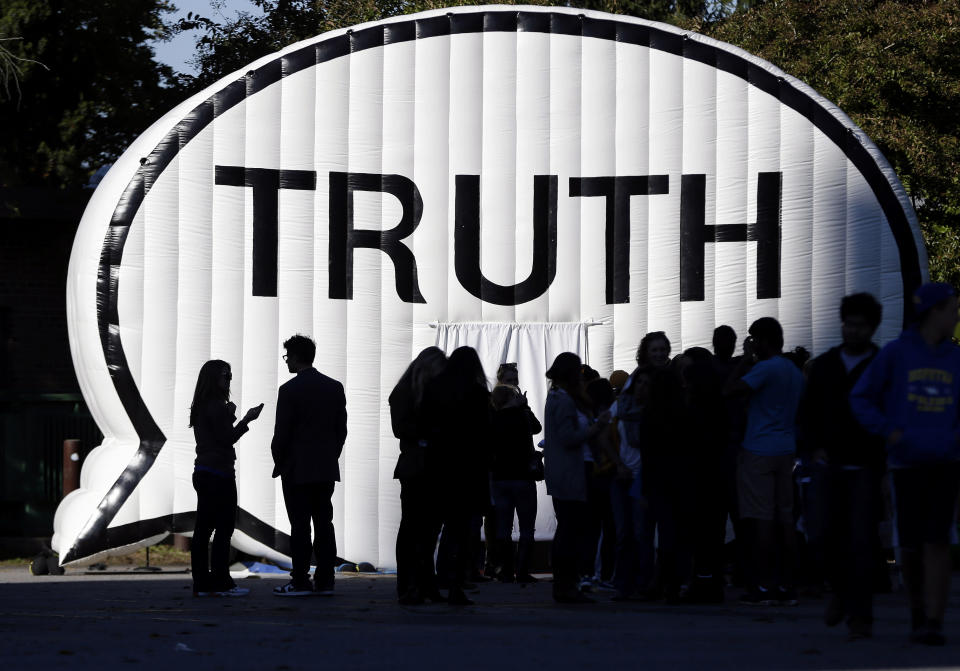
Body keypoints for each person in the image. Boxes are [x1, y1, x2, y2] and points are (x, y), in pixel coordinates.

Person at [851, 282, 960, 646]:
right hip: (906, 464)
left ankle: (933, 620)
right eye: (952, 309)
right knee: (911, 547)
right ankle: (917, 608)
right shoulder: (897, 354)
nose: (956, 316)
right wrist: (889, 432)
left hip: (945, 462)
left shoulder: (956, 358)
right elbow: (861, 397)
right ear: (935, 312)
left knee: (938, 542)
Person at [802, 293, 885, 639]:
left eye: (860, 326)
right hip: (828, 463)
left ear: (872, 327)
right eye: (849, 324)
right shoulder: (824, 366)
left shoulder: (882, 365)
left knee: (862, 543)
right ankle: (838, 589)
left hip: (866, 466)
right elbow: (806, 414)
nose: (853, 331)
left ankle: (860, 616)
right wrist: (814, 449)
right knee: (822, 535)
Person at [725, 317, 804, 606]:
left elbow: (729, 391)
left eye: (754, 339)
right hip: (786, 448)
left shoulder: (764, 368)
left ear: (764, 341)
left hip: (759, 448)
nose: (752, 344)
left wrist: (745, 360)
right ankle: (788, 585)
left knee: (761, 520)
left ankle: (762, 585)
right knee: (785, 518)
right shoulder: (794, 372)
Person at [271, 335, 347, 597]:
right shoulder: (334, 387)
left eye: (287, 357)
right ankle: (325, 579)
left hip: (296, 469)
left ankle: (300, 579)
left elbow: (281, 434)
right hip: (325, 467)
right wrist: (330, 455)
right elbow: (341, 431)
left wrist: (280, 462)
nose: (286, 362)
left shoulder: (289, 390)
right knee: (324, 523)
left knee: (300, 526)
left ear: (294, 356)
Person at [420, 346, 492, 605]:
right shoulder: (478, 394)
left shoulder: (433, 388)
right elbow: (484, 435)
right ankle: (455, 585)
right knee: (460, 532)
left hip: (437, 467)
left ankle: (426, 583)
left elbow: (424, 427)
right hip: (467, 470)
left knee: (430, 530)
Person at [189, 359, 263, 597]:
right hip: (219, 473)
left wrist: (229, 415)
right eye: (225, 376)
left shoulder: (202, 404)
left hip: (204, 471)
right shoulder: (216, 405)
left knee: (204, 529)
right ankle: (221, 582)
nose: (229, 380)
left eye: (230, 376)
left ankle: (202, 583)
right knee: (223, 529)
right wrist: (245, 419)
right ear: (213, 378)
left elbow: (213, 433)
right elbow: (225, 439)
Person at [544, 352, 610, 603]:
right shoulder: (564, 401)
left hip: (572, 470)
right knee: (572, 530)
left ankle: (567, 583)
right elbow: (568, 437)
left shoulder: (560, 398)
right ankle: (567, 583)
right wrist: (596, 427)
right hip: (574, 471)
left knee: (571, 529)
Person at [389, 346, 448, 605]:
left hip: (424, 464)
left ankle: (421, 584)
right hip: (419, 465)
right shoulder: (407, 393)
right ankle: (411, 585)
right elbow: (402, 429)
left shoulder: (415, 391)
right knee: (415, 528)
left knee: (426, 528)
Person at [489, 382, 542, 583]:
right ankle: (522, 570)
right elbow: (537, 428)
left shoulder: (492, 419)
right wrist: (525, 406)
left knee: (503, 527)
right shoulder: (521, 416)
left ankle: (506, 570)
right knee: (527, 526)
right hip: (522, 476)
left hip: (500, 477)